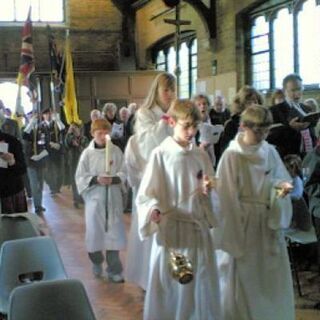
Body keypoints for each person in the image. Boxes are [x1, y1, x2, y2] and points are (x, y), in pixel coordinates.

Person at [136, 99, 221, 320]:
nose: (192, 131)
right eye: (186, 126)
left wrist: (208, 188)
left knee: (200, 288)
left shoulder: (200, 155)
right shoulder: (160, 154)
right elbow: (146, 194)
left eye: (195, 126)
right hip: (173, 232)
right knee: (174, 289)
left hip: (197, 230)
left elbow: (211, 186)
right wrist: (152, 209)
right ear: (171, 122)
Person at [216, 105, 295, 320]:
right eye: (257, 130)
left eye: (265, 130)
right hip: (244, 222)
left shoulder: (269, 150)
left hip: (267, 218)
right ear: (244, 127)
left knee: (268, 275)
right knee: (245, 273)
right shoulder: (232, 156)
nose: (261, 136)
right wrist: (235, 231)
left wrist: (282, 188)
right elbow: (226, 196)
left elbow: (279, 178)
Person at [125, 72, 176, 290]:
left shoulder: (177, 112)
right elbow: (148, 144)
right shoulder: (145, 113)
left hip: (173, 177)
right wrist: (167, 119)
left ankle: (171, 273)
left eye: (173, 90)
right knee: (151, 224)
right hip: (152, 177)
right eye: (166, 90)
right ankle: (148, 278)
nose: (170, 94)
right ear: (157, 91)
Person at [75, 119, 126, 283]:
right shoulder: (87, 154)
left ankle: (114, 270)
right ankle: (96, 261)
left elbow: (124, 172)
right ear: (92, 134)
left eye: (106, 133)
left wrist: (115, 180)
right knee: (94, 235)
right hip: (95, 200)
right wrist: (96, 179)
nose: (104, 136)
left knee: (114, 236)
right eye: (100, 133)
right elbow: (80, 177)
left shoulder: (116, 151)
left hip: (113, 200)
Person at [268, 74, 316, 158]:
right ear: (284, 91)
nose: (297, 93)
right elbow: (270, 137)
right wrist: (290, 127)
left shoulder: (307, 109)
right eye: (293, 90)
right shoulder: (274, 110)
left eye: (299, 89)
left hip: (308, 156)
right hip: (287, 157)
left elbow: (311, 133)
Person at [220, 85, 264, 153]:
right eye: (249, 102)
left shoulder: (262, 122)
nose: (253, 105)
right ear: (241, 105)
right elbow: (225, 150)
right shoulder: (231, 124)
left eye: (255, 102)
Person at [0, 129, 27, 214]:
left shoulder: (12, 141)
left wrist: (12, 161)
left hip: (11, 192)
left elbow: (22, 169)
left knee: (14, 225)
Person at [283, 154, 312, 231]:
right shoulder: (288, 180)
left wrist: (286, 196)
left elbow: (297, 195)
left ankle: (294, 223)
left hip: (298, 213)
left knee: (297, 201)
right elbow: (281, 192)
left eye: (287, 169)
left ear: (294, 169)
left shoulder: (297, 180)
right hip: (289, 209)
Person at [65, 123, 89, 208]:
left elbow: (85, 151)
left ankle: (82, 198)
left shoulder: (84, 138)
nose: (75, 130)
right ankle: (76, 199)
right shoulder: (70, 138)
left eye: (76, 128)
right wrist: (68, 133)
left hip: (82, 163)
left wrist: (78, 145)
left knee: (82, 180)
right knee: (74, 181)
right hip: (73, 162)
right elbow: (66, 144)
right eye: (73, 129)